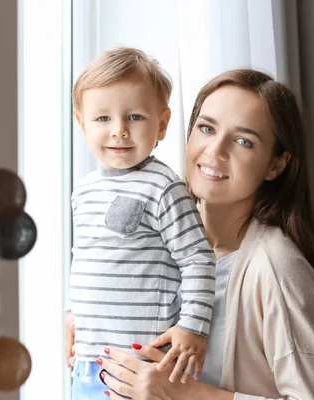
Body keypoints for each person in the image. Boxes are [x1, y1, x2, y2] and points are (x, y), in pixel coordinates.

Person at [70, 68, 314, 399]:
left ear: (276, 164)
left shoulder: (279, 271)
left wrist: (185, 394)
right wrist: (86, 324)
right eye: (206, 128)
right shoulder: (163, 232)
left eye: (244, 141)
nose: (214, 152)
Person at [65, 47, 217, 399]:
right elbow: (86, 261)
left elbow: (197, 258)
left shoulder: (164, 187)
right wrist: (72, 315)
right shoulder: (83, 191)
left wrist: (193, 327)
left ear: (161, 125)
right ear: (81, 122)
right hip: (89, 362)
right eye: (103, 118)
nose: (119, 131)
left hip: (144, 366)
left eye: (134, 117)